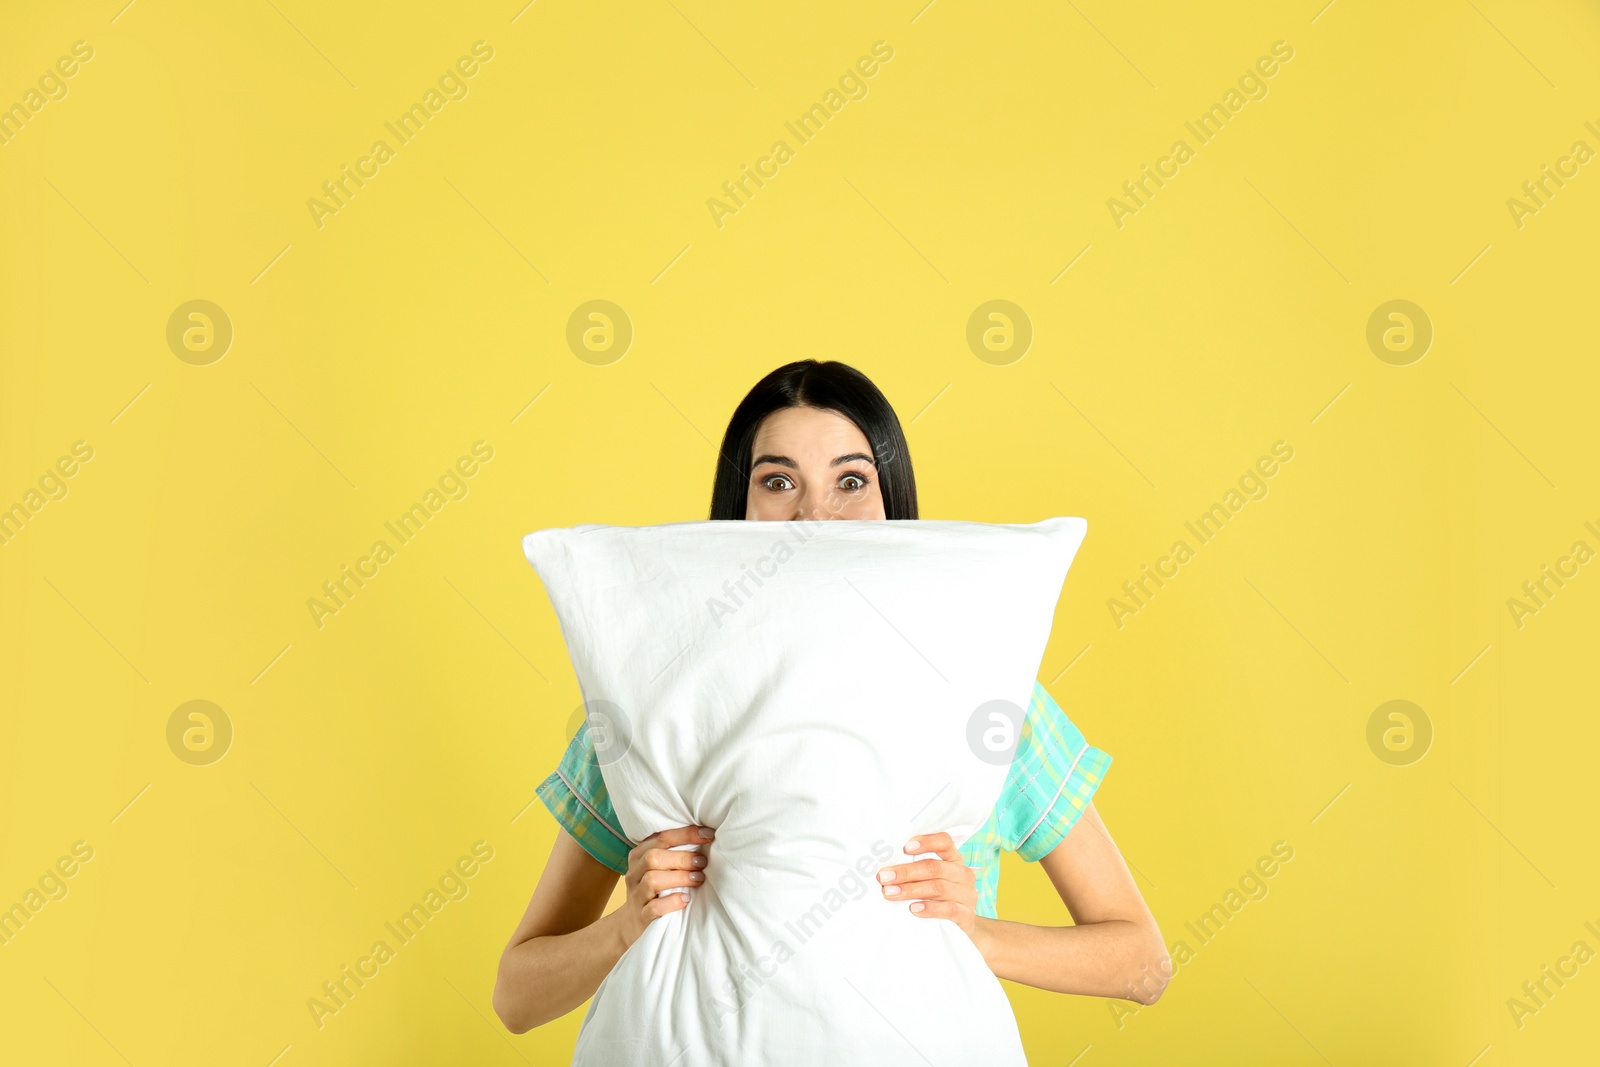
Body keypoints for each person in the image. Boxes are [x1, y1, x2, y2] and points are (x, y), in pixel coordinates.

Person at [493, 359, 1171, 1037]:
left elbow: (1143, 964)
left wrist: (980, 934)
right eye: (779, 481)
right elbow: (516, 997)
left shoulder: (981, 693)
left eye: (851, 480)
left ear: (892, 501)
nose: (815, 513)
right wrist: (625, 925)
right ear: (739, 509)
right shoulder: (651, 694)